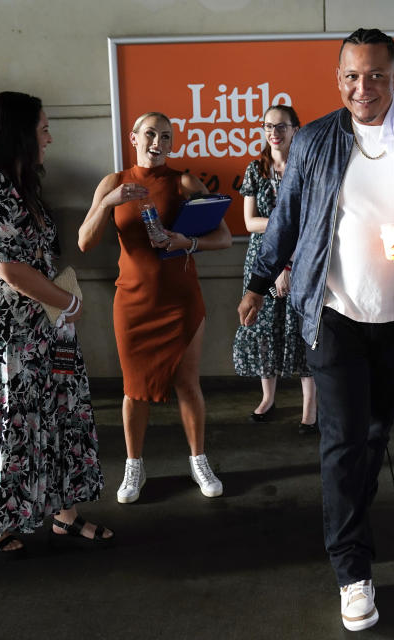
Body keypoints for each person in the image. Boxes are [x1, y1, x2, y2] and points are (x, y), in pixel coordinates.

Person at [237, 29, 394, 631]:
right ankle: (352, 571)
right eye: (352, 76)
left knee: (374, 434)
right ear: (337, 79)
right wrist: (257, 280)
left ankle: (354, 522)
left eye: (376, 75)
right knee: (343, 440)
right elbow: (288, 219)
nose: (363, 87)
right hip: (334, 313)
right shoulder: (317, 140)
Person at [0, 91, 112, 558]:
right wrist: (69, 304)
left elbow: (36, 256)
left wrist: (61, 308)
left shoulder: (18, 183)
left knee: (60, 415)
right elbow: (9, 270)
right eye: (42, 129)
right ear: (16, 133)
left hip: (45, 326)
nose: (49, 138)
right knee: (10, 424)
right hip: (12, 332)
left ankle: (64, 515)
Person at [78, 111, 232, 503]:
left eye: (166, 136)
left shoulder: (184, 181)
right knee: (135, 390)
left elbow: (225, 237)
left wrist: (186, 242)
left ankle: (198, 459)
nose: (157, 143)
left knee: (187, 383)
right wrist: (107, 203)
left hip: (180, 299)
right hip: (133, 299)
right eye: (150, 134)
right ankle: (134, 466)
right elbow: (84, 242)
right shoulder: (113, 182)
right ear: (134, 137)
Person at [232, 105, 318, 434]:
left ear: (296, 129)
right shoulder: (256, 169)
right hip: (264, 268)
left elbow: (312, 222)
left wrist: (289, 258)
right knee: (266, 325)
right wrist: (285, 228)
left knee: (301, 329)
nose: (274, 133)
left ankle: (310, 407)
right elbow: (249, 222)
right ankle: (268, 398)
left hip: (301, 263)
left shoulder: (307, 168)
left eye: (281, 126)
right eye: (268, 126)